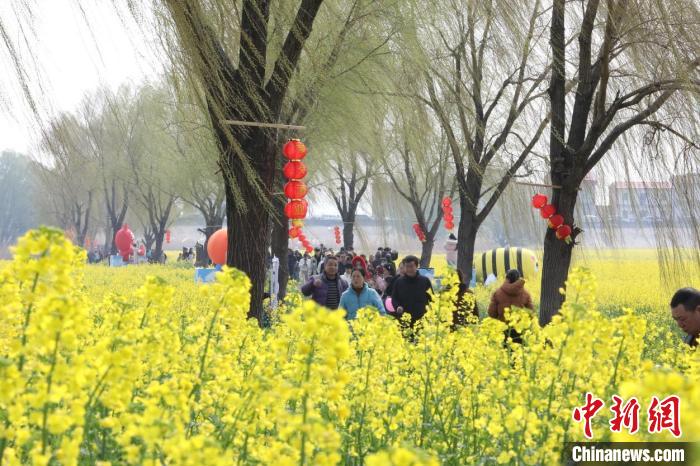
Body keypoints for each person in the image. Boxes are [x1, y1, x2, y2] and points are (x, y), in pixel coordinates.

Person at [488, 269, 534, 343]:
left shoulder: (497, 293)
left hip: (502, 330)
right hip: (519, 331)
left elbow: (491, 313)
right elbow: (530, 313)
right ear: (518, 279)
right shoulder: (526, 294)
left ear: (506, 278)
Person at [390, 255, 433, 327]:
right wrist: (397, 306)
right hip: (404, 319)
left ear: (416, 266)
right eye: (407, 266)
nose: (409, 269)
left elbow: (431, 297)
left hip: (421, 319)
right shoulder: (399, 282)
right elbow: (394, 298)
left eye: (411, 266)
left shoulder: (425, 281)